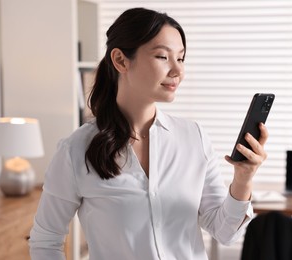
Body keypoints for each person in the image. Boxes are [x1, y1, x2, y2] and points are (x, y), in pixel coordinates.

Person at [29, 7, 268, 260]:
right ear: (121, 60)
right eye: (163, 57)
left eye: (181, 58)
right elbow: (46, 241)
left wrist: (243, 178)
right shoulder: (76, 149)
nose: (177, 70)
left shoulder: (194, 138)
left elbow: (225, 232)